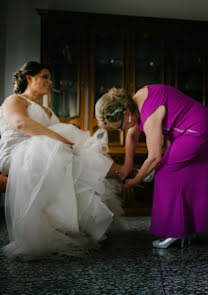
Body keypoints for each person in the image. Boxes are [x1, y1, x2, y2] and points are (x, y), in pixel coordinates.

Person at [1, 61, 122, 258]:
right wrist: (61, 141)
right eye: (45, 76)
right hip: (17, 154)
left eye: (50, 77)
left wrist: (64, 144)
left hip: (46, 149)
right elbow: (20, 123)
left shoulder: (48, 110)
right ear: (29, 78)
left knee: (77, 156)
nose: (50, 82)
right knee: (62, 152)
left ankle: (74, 225)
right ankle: (121, 171)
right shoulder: (15, 100)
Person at [95, 85, 208, 248]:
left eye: (119, 126)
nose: (120, 131)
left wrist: (135, 181)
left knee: (165, 173)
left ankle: (173, 232)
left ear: (126, 115)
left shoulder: (148, 115)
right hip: (200, 123)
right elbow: (132, 134)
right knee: (190, 177)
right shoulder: (135, 100)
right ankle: (188, 228)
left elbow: (154, 157)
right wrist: (127, 165)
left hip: (195, 130)